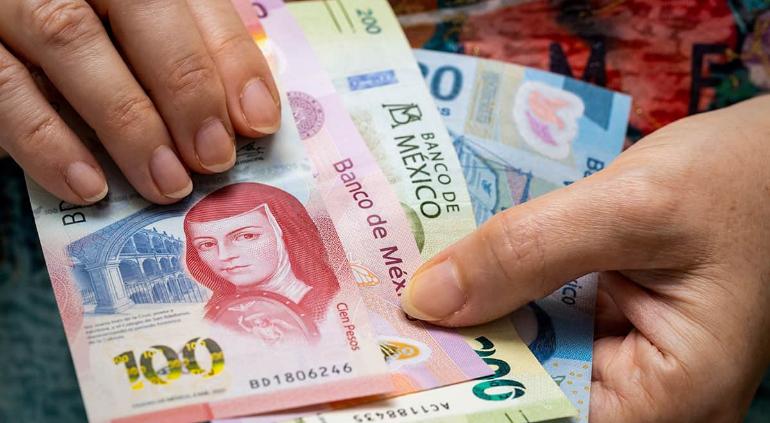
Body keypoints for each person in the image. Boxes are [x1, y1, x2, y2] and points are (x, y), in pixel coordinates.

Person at [0, 1, 767, 421]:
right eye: (213, 246)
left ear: (284, 232)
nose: (227, 256)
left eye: (242, 235)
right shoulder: (220, 318)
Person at [184, 183, 340, 344]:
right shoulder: (209, 316)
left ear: (282, 230)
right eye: (207, 244)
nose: (224, 256)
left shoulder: (334, 303)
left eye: (246, 236)